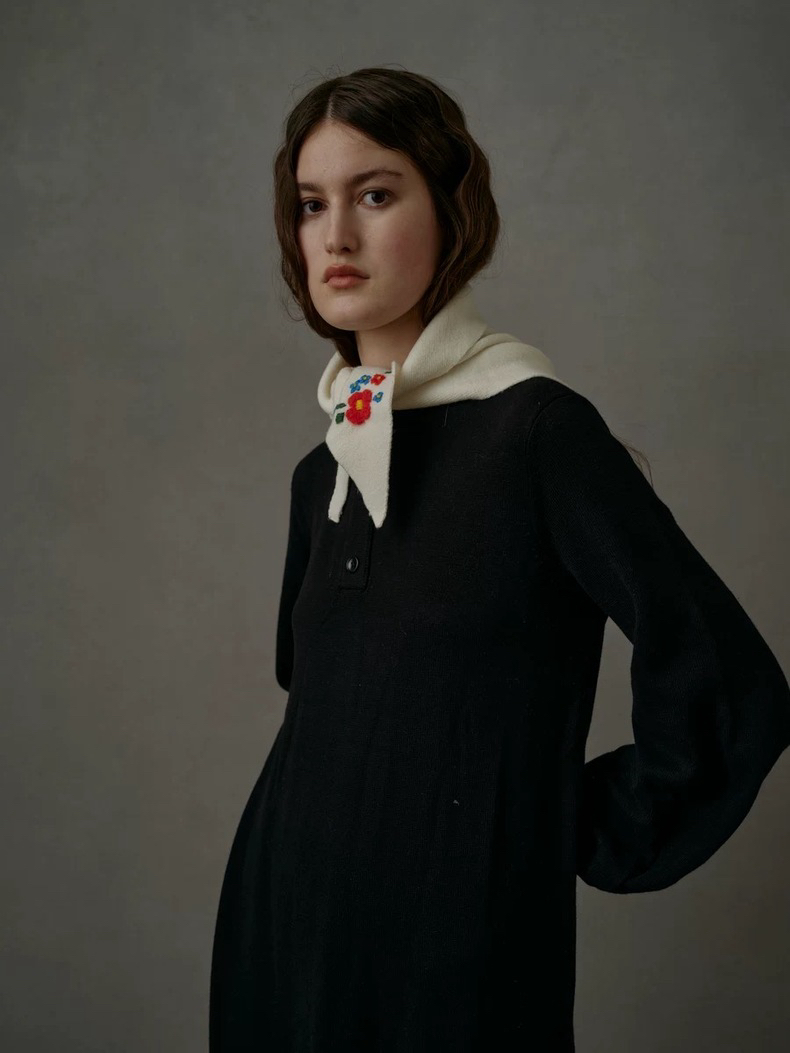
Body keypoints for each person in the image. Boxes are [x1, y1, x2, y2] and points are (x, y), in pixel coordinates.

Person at [209, 66, 790, 1052]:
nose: (335, 235)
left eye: (375, 195)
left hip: (454, 949)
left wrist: (561, 827)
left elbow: (730, 683)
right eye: (311, 204)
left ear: (452, 211)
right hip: (281, 928)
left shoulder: (537, 435)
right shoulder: (324, 469)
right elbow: (322, 695)